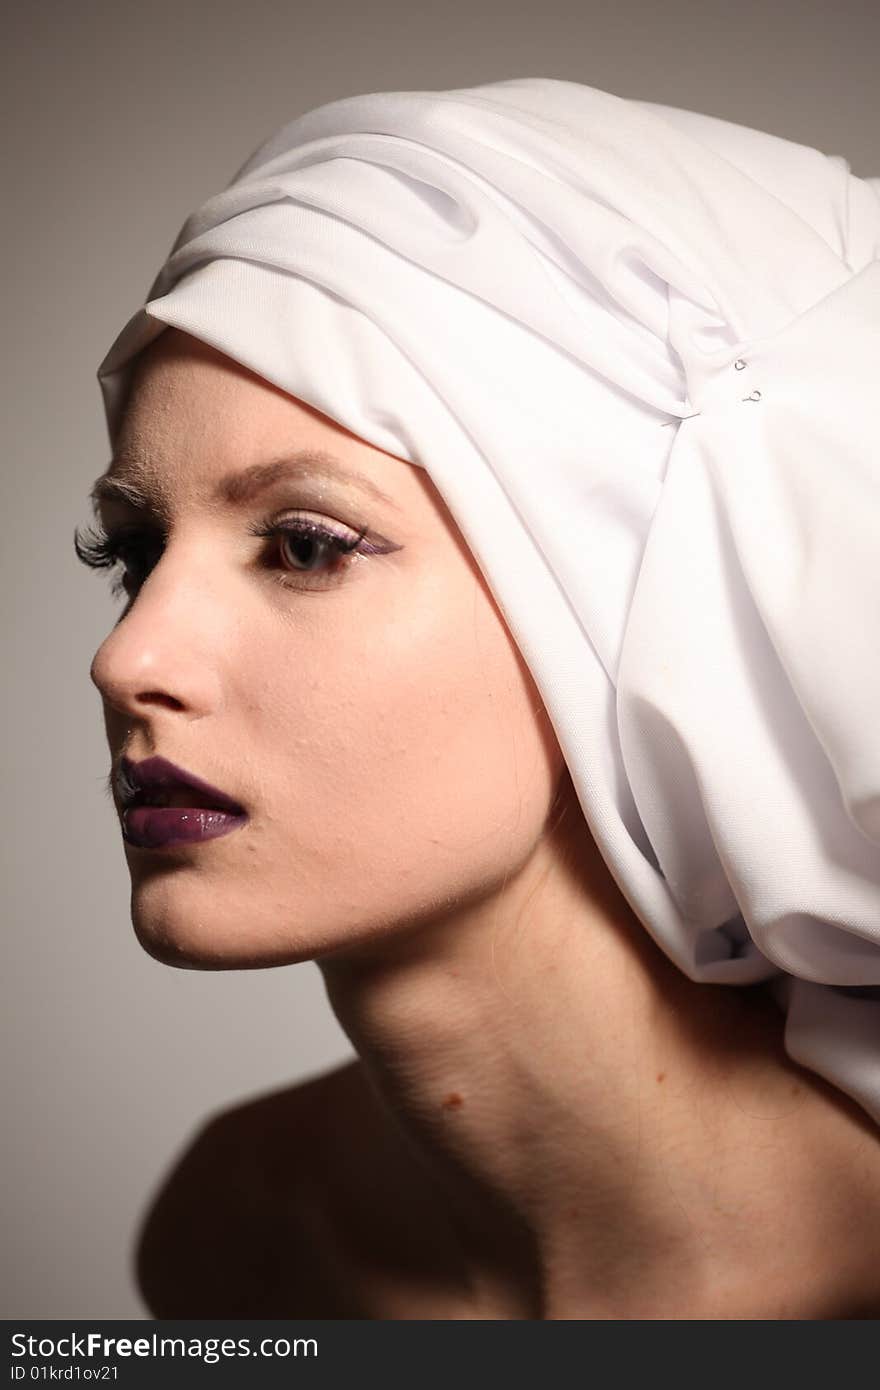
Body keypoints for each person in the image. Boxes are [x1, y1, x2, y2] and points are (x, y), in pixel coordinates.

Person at [76, 78, 880, 1319]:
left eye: (303, 545)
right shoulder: (239, 1234)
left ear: (616, 606)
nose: (128, 661)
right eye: (133, 553)